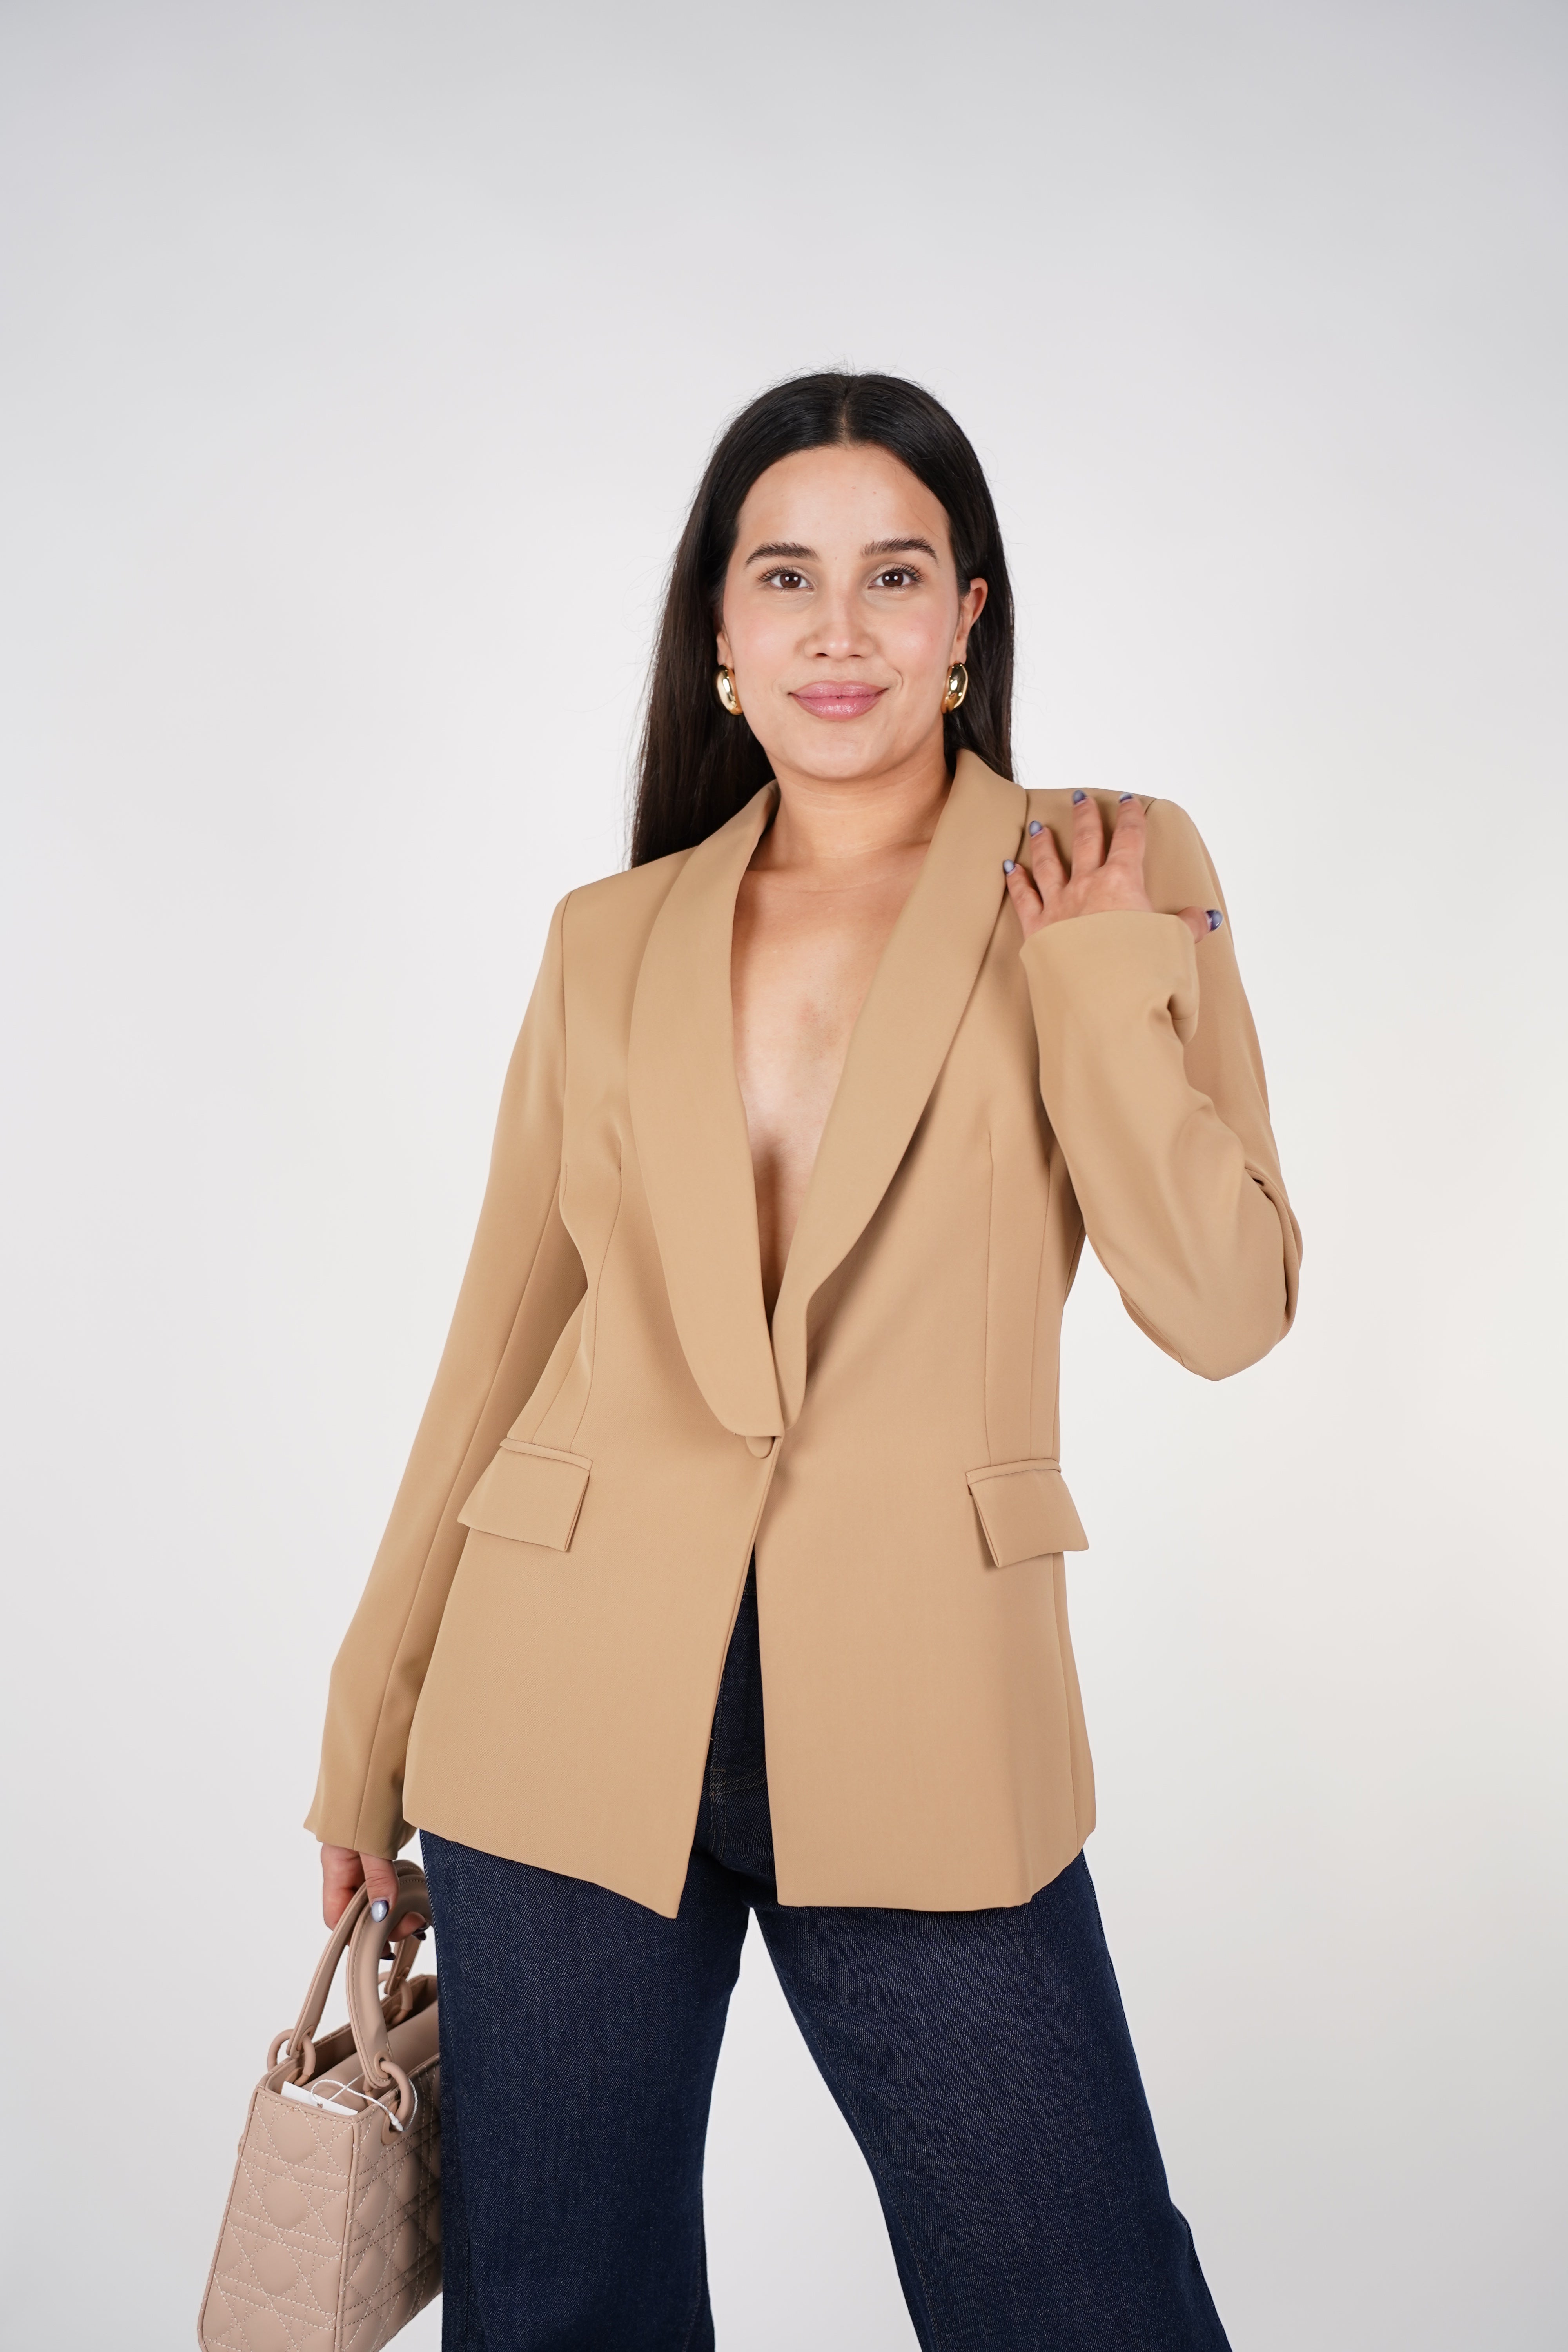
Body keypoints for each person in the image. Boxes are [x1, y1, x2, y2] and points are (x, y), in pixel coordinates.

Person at [307, 370, 1300, 2350]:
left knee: (1078, 2298)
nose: (839, 629)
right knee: (560, 2313)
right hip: (556, 1694)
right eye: (785, 578)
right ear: (720, 632)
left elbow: (1227, 1305)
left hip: (927, 1700)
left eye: (893, 575)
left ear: (967, 618)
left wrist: (1096, 981)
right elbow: (501, 1341)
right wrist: (367, 1726)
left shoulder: (1106, 861)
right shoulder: (610, 936)